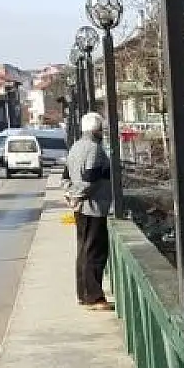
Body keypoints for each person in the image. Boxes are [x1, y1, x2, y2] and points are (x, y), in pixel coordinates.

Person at [67, 112, 113, 310]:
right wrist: (79, 195)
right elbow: (91, 177)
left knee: (83, 249)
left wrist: (69, 194)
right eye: (101, 129)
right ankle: (94, 297)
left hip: (80, 208)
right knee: (95, 251)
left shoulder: (75, 147)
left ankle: (83, 293)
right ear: (97, 130)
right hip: (94, 207)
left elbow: (65, 175)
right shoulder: (94, 149)